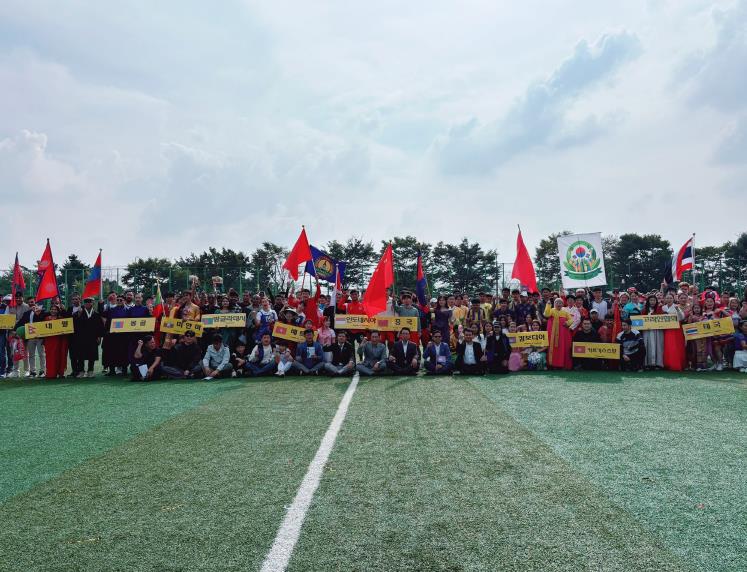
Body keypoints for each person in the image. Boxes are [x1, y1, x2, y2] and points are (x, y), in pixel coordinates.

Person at [71, 297, 103, 378]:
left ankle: (90, 371)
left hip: (93, 337)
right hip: (81, 337)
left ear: (93, 303)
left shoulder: (96, 314)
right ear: (84, 304)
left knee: (92, 355)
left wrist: (99, 336)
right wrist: (78, 315)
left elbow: (99, 326)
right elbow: (74, 323)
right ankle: (81, 371)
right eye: (86, 302)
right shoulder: (79, 313)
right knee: (80, 355)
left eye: (90, 302)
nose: (88, 304)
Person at [16, 303, 47, 377]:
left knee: (41, 354)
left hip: (40, 336)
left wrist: (37, 313)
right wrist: (14, 330)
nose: (31, 304)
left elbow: (42, 321)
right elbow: (20, 322)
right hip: (30, 337)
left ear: (36, 303)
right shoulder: (26, 313)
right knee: (31, 355)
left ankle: (42, 371)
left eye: (33, 302)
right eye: (29, 302)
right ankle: (32, 371)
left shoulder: (42, 312)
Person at [102, 294, 130, 375]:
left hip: (124, 336)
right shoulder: (111, 310)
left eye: (121, 300)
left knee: (124, 353)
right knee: (112, 353)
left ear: (124, 301)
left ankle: (124, 370)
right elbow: (103, 315)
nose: (119, 301)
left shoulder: (128, 310)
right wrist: (101, 303)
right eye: (118, 300)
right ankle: (112, 371)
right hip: (113, 336)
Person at [544, 298, 573, 370]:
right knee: (552, 348)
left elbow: (571, 320)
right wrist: (548, 305)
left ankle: (561, 364)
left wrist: (568, 323)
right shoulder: (551, 310)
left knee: (562, 348)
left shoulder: (565, 312)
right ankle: (552, 364)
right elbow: (546, 314)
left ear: (562, 304)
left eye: (560, 303)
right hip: (552, 334)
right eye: (557, 302)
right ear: (554, 304)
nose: (558, 304)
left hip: (563, 335)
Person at [661, 292, 686, 372]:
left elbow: (682, 317)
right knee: (668, 346)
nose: (669, 300)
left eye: (670, 298)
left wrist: (678, 310)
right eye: (667, 298)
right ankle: (668, 364)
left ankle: (676, 364)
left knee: (676, 346)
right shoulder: (663, 308)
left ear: (673, 299)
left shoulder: (676, 306)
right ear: (665, 299)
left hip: (676, 329)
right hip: (667, 329)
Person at [641, 295, 664, 369]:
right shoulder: (644, 309)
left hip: (657, 330)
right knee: (647, 345)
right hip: (647, 330)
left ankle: (657, 363)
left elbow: (661, 317)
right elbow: (641, 319)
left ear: (656, 301)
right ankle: (647, 363)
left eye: (654, 300)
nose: (652, 302)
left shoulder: (659, 308)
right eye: (651, 300)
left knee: (658, 345)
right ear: (648, 301)